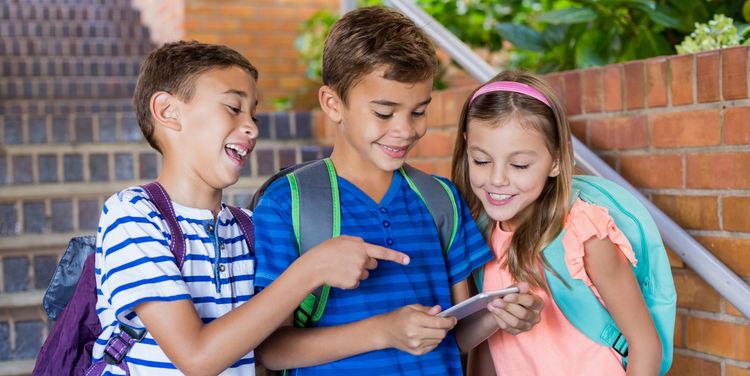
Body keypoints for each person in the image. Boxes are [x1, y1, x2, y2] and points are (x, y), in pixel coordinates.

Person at [252, 7, 543, 375]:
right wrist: (381, 332)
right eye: (385, 113)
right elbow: (269, 351)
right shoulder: (287, 202)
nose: (405, 130)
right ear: (332, 104)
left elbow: (455, 337)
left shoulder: (441, 199)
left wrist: (498, 318)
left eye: (418, 112)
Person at [93, 40, 410, 376]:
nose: (253, 128)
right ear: (168, 112)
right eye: (233, 107)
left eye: (253, 114)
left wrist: (385, 330)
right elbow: (197, 358)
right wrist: (310, 270)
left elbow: (267, 352)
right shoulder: (133, 215)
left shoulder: (247, 226)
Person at [451, 70, 663, 375]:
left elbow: (645, 345)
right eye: (482, 160)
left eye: (520, 164)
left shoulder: (584, 234)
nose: (497, 179)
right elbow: (486, 350)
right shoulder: (477, 233)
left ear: (556, 160)